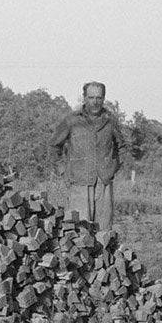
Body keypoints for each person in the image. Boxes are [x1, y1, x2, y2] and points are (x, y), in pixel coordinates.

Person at [49, 81, 127, 229]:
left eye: (99, 98)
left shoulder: (110, 121)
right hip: (79, 183)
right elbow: (54, 146)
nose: (95, 102)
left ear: (104, 99)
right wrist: (62, 170)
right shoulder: (72, 120)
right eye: (91, 97)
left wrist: (113, 168)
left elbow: (122, 147)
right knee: (78, 231)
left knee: (103, 231)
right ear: (84, 98)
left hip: (103, 184)